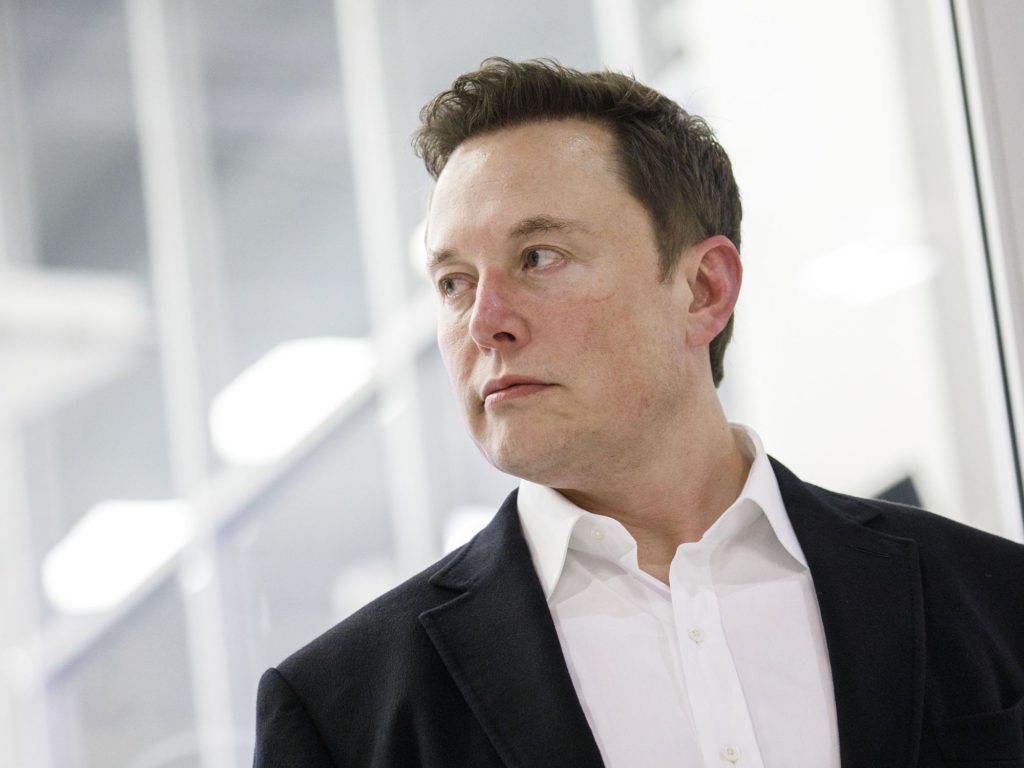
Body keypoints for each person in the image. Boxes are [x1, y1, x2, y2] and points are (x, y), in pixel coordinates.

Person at [253, 58, 1024, 767]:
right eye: (454, 281)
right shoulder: (340, 716)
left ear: (703, 290)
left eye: (538, 257)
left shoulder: (993, 600)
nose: (484, 322)